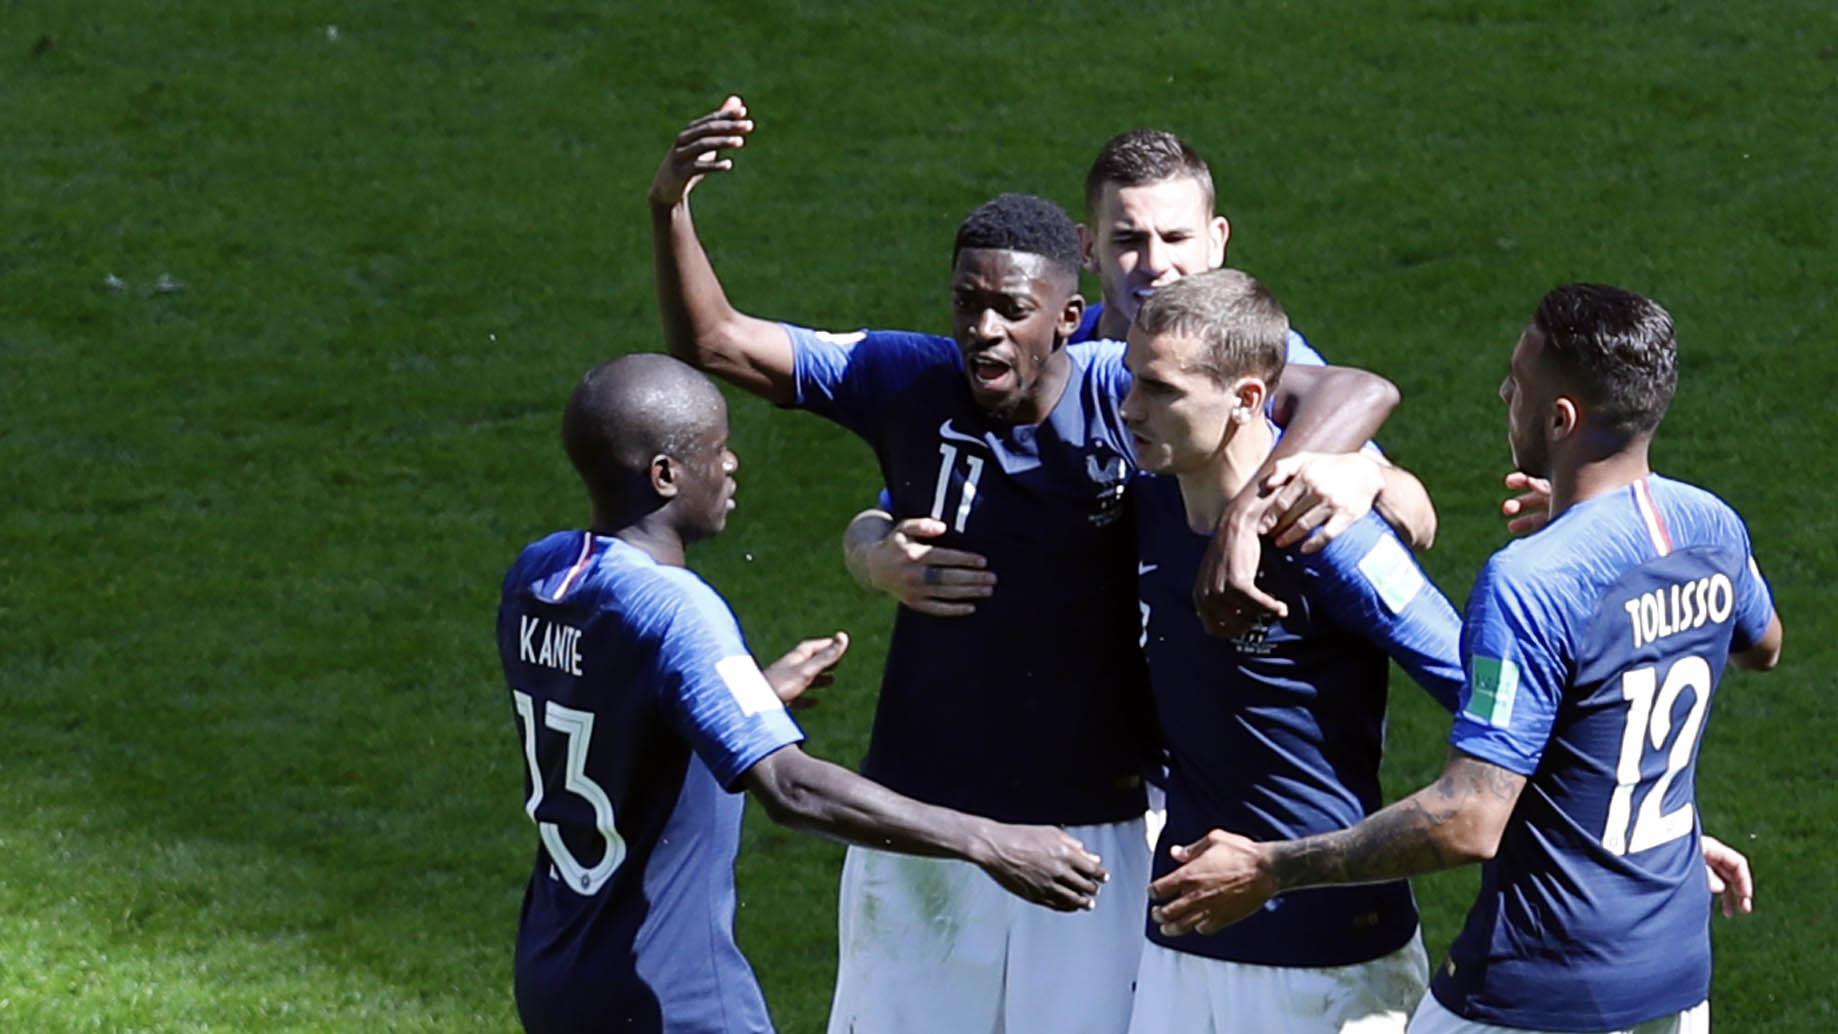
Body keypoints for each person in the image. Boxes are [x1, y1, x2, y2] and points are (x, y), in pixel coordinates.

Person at [648, 98, 1402, 1034]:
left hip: (1096, 822)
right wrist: (671, 205)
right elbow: (717, 341)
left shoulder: (1140, 400)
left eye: (1013, 309)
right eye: (970, 305)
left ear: (1067, 315)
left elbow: (1352, 401)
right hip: (918, 818)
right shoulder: (906, 376)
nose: (987, 330)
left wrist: (1261, 509)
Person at [1143, 284, 1783, 1034]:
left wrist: (1272, 868)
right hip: (1673, 971)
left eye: (1518, 381)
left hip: (1538, 987)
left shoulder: (1533, 580)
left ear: (1561, 418)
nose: (1504, 391)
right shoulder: (1711, 526)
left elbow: (1467, 819)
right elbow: (1760, 647)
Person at [497, 354, 1110, 1034]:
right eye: (717, 451)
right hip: (668, 994)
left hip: (556, 965)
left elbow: (611, 712)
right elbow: (790, 789)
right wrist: (989, 842)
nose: (731, 466)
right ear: (665, 476)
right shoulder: (673, 609)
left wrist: (747, 699)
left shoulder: (541, 572)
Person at [848, 126, 1437, 629]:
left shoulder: (1265, 365)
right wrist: (874, 558)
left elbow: (1418, 519)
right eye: (1128, 240)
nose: (1156, 265)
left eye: (1177, 238)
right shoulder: (1048, 362)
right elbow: (888, 510)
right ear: (1088, 248)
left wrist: (1364, 476)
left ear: (1217, 241)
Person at [1119, 269, 1464, 1032]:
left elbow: (1492, 699)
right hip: (1182, 940)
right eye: (1130, 380)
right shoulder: (1143, 500)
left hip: (1329, 964)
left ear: (1247, 399)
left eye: (1159, 390)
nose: (1129, 408)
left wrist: (1631, 825)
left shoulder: (1332, 538)